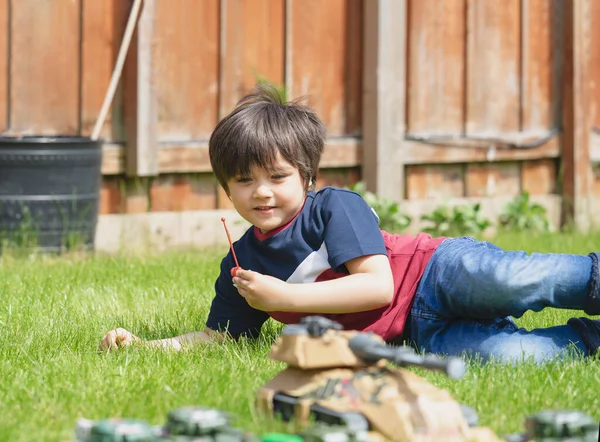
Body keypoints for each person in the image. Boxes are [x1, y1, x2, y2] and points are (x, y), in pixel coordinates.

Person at [100, 84, 600, 363]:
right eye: (244, 180)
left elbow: (377, 287)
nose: (262, 191)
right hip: (416, 334)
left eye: (277, 176)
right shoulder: (242, 261)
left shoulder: (334, 206)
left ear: (307, 176)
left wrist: (286, 299)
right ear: (225, 187)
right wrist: (145, 346)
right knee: (515, 357)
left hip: (436, 273)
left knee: (520, 279)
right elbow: (219, 338)